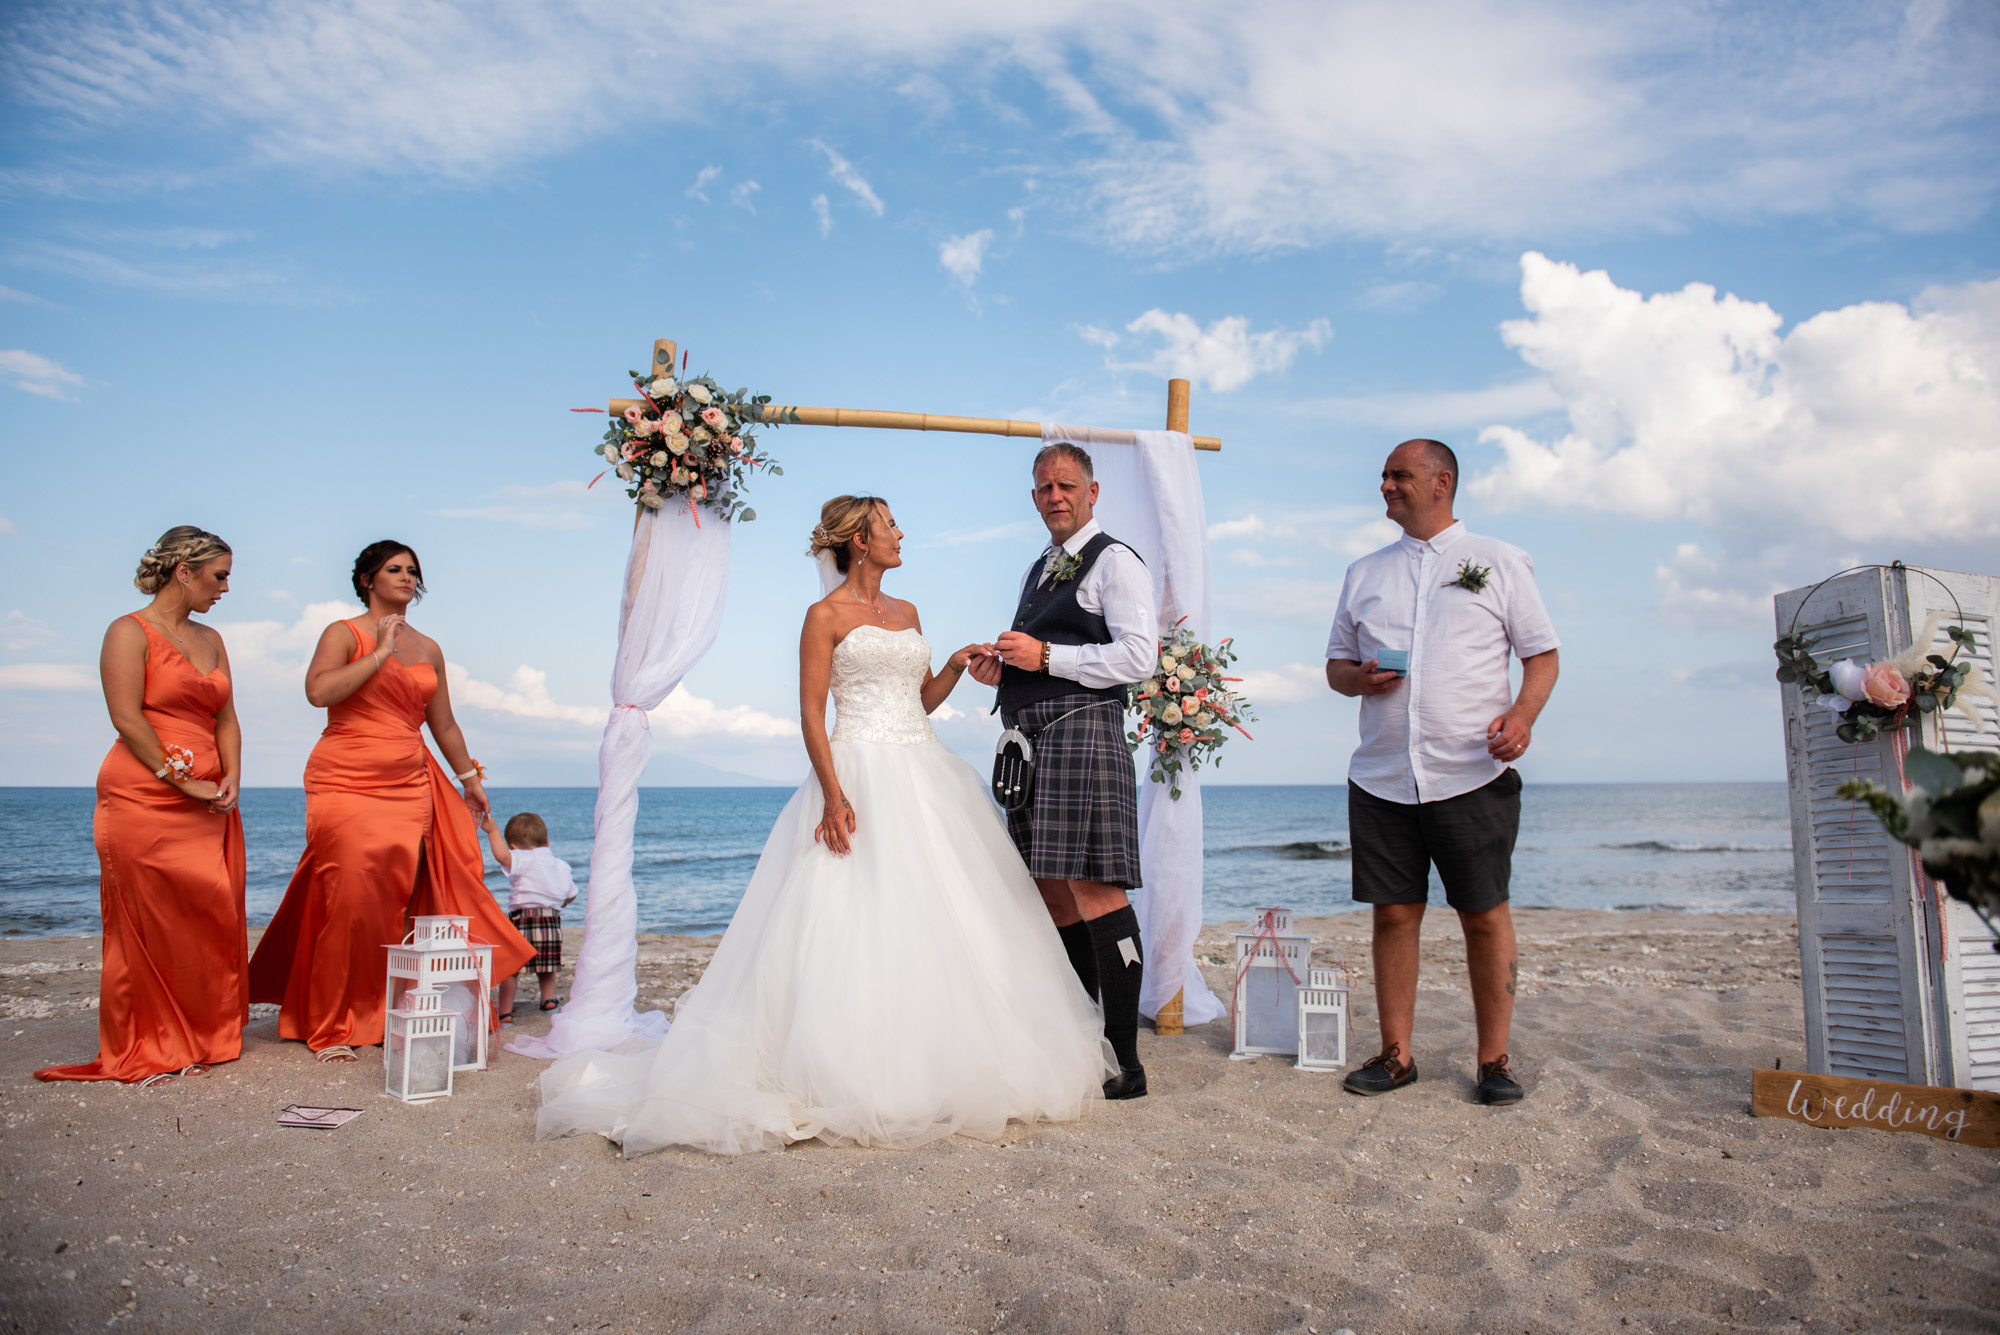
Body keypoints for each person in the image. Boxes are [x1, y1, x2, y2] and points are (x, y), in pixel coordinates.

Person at [535, 495, 1114, 1156]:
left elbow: (917, 701)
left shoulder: (909, 612)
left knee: (938, 916)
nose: (900, 532)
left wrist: (953, 667)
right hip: (857, 770)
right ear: (859, 540)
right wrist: (834, 795)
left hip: (923, 770)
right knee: (849, 916)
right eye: (889, 524)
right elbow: (812, 715)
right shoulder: (823, 616)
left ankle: (937, 1054)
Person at [1324, 438, 1560, 1106]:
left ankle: (1494, 1060)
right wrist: (1360, 678)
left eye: (1399, 475)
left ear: (1441, 481)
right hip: (1381, 775)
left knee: (1484, 915)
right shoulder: (1364, 572)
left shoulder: (1499, 560)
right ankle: (1397, 1054)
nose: (1386, 486)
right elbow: (1336, 667)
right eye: (1383, 476)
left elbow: (1542, 656)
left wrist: (1523, 715)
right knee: (1393, 913)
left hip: (1471, 772)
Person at [249, 540, 533, 1062]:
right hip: (347, 774)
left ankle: (386, 1013)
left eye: (412, 571)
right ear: (367, 580)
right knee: (350, 895)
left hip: (409, 778)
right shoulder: (343, 632)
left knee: (400, 895)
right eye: (394, 569)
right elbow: (319, 691)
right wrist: (378, 652)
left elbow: (442, 721)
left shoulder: (429, 648)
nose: (406, 578)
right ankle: (332, 1024)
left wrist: (468, 777)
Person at [966, 442, 1156, 1100]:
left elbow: (1137, 657)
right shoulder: (1038, 568)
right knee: (1051, 890)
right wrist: (1005, 666)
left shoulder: (1116, 561)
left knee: (1096, 888)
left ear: (1093, 491)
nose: (1055, 495)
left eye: (1067, 484)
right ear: (1033, 496)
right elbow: (1046, 654)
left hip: (1082, 732)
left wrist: (1045, 656)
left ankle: (1125, 1059)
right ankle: (1084, 1040)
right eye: (1044, 487)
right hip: (1030, 741)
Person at [37, 527, 248, 1085]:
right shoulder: (127, 632)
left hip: (208, 798)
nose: (225, 588)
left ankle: (204, 1035)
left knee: (208, 914)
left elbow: (226, 716)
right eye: (219, 576)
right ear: (184, 569)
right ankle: (150, 1041)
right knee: (146, 922)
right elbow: (126, 716)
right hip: (142, 795)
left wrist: (231, 776)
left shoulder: (213, 639)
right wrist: (181, 781)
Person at [480, 810, 577, 1023]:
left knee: (512, 967)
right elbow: (572, 893)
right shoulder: (561, 865)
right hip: (551, 920)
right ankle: (548, 1000)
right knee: (547, 964)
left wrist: (492, 830)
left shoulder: (523, 858)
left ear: (514, 846)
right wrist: (561, 902)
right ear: (547, 841)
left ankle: (505, 1012)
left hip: (523, 919)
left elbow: (502, 856)